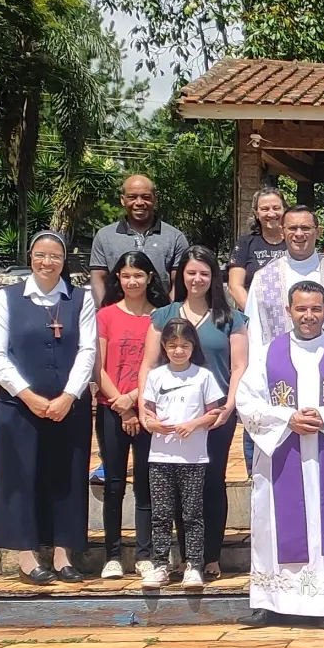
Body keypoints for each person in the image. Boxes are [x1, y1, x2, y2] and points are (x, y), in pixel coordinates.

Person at [238, 281, 324, 628]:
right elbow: (247, 401)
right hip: (282, 457)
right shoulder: (267, 354)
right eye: (301, 309)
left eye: (315, 309)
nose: (308, 316)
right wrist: (288, 418)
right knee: (274, 523)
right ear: (288, 311)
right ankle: (273, 601)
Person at [0, 231, 95, 584]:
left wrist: (69, 395)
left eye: (55, 256)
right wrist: (28, 396)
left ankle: (64, 554)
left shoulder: (81, 299)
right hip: (19, 407)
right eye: (40, 255)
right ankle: (26, 555)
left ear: (64, 261)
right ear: (30, 257)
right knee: (20, 477)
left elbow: (88, 352)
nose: (47, 262)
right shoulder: (8, 299)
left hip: (69, 406)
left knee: (67, 477)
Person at [140, 247, 248, 580]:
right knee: (170, 487)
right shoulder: (164, 315)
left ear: (213, 276)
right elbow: (149, 363)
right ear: (181, 276)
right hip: (170, 419)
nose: (197, 279)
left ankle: (208, 556)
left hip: (214, 418)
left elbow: (240, 365)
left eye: (204, 272)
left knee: (211, 483)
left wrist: (228, 406)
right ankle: (177, 557)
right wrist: (146, 411)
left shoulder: (230, 318)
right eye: (191, 272)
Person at [95, 251, 170, 580]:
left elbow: (161, 368)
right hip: (112, 409)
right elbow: (96, 367)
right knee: (113, 484)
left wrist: (135, 401)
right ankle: (112, 554)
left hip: (148, 408)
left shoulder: (160, 317)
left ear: (149, 278)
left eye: (138, 275)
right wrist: (120, 402)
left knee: (146, 484)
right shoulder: (106, 315)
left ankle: (144, 553)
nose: (132, 281)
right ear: (118, 280)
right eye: (125, 276)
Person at [140, 318, 224, 589]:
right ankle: (160, 565)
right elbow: (147, 413)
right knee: (161, 514)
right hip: (161, 457)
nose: (179, 351)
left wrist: (194, 424)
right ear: (164, 347)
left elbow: (214, 412)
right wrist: (153, 425)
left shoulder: (203, 376)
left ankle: (194, 565)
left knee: (192, 514)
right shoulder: (156, 376)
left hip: (193, 458)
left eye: (184, 345)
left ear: (193, 347)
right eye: (173, 345)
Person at [246, 205, 324, 357]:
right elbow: (252, 334)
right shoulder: (264, 278)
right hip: (279, 370)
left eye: (306, 228)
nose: (299, 234)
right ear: (282, 232)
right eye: (292, 228)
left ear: (318, 232)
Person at [89, 174, 190, 305]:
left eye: (146, 197)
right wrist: (104, 311)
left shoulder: (175, 237)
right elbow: (98, 277)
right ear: (122, 200)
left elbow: (179, 280)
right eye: (132, 197)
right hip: (117, 316)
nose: (139, 203)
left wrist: (168, 313)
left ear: (155, 200)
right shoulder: (104, 236)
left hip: (160, 316)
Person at [228, 187, 289, 310]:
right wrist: (255, 314)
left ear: (285, 210)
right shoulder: (245, 243)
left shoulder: (294, 242)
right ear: (256, 214)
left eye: (276, 208)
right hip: (254, 315)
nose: (271, 213)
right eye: (265, 209)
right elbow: (235, 286)